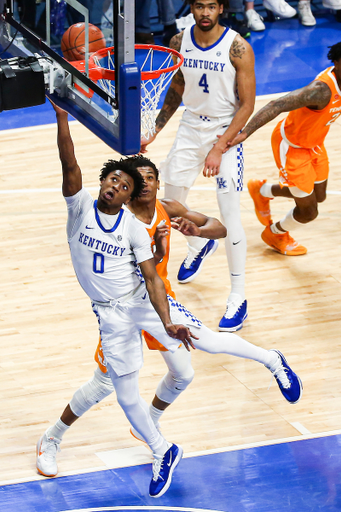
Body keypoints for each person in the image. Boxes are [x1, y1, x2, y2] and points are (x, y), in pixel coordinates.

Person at [37, 152, 302, 485]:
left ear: (158, 183)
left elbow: (218, 228)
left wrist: (198, 231)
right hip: (118, 309)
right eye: (138, 178)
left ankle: (270, 360)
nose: (145, 181)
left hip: (158, 302)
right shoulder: (121, 213)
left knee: (189, 366)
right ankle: (53, 437)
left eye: (150, 176)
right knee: (105, 383)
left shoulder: (167, 208)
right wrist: (161, 250)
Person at [141, 0, 256, 333]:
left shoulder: (238, 47)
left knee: (229, 213)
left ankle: (238, 296)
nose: (204, 13)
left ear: (221, 8)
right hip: (191, 126)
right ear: (191, 8)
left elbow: (247, 105)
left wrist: (219, 148)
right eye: (198, 6)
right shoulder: (179, 41)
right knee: (169, 203)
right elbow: (176, 90)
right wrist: (155, 130)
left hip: (225, 131)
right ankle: (199, 244)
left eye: (211, 6)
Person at [227, 42, 341, 256]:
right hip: (292, 147)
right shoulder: (320, 91)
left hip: (315, 144)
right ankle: (275, 234)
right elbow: (275, 105)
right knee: (308, 211)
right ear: (336, 62)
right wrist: (244, 132)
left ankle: (262, 190)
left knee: (319, 195)